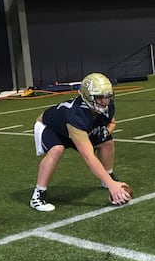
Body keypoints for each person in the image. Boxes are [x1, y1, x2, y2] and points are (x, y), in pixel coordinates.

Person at [30, 72, 131, 211]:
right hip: (51, 127)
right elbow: (88, 157)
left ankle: (107, 176)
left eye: (107, 96)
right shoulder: (76, 114)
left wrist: (106, 132)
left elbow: (112, 122)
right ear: (87, 97)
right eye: (99, 97)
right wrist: (113, 186)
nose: (104, 101)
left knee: (106, 141)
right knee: (56, 149)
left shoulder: (106, 106)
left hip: (72, 128)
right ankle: (38, 195)